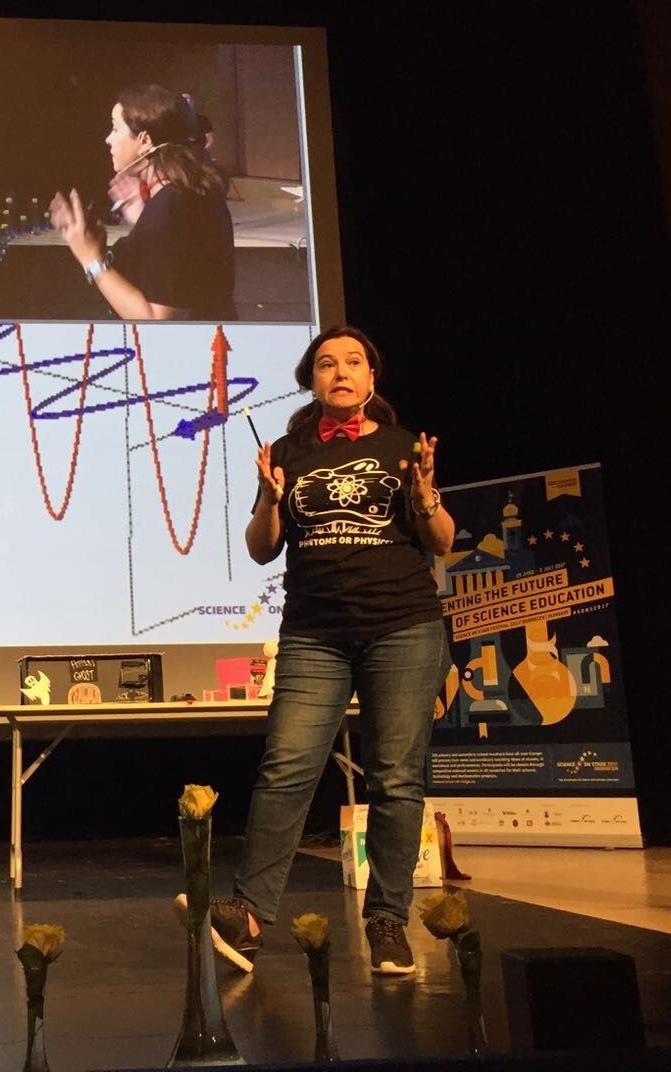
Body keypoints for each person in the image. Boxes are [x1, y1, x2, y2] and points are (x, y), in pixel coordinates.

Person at [190, 325, 456, 976]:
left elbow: (442, 540)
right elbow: (261, 546)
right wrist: (273, 501)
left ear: (371, 379)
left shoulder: (403, 446)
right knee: (286, 768)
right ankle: (248, 918)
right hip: (315, 632)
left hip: (404, 627)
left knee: (396, 778)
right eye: (326, 363)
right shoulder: (287, 449)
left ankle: (387, 921)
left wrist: (423, 498)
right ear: (312, 380)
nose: (340, 371)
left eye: (354, 362)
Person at [48, 85, 235, 321]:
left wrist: (91, 259)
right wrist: (143, 219)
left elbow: (159, 320)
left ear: (145, 140)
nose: (108, 139)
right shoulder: (185, 196)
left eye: (116, 129)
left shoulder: (172, 207)